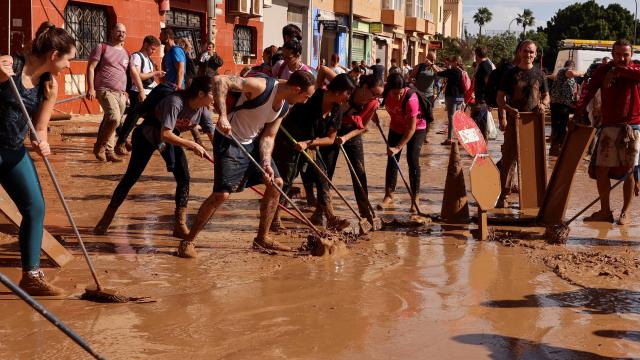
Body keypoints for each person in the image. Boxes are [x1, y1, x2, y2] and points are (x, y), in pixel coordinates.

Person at [177, 70, 315, 258]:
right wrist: (223, 116)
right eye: (305, 96)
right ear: (296, 89)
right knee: (221, 194)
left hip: (252, 143)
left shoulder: (284, 106)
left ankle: (262, 238)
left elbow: (268, 136)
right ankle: (188, 241)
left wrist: (266, 162)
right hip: (228, 139)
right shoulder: (262, 87)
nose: (305, 101)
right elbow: (220, 80)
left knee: (276, 183)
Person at [0, 22, 76, 295]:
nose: (69, 65)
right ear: (54, 55)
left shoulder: (49, 86)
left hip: (12, 152)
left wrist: (42, 144)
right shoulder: (9, 65)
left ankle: (31, 276)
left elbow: (39, 128)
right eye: (69, 59)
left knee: (35, 208)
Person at [94, 76, 215, 238]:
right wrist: (192, 145)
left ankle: (179, 224)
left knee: (184, 176)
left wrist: (225, 160)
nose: (218, 98)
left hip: (168, 139)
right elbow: (165, 135)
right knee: (131, 176)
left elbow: (215, 140)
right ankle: (107, 217)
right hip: (148, 135)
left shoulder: (204, 111)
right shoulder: (175, 102)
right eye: (214, 93)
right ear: (201, 94)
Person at [272, 74, 356, 229]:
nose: (349, 97)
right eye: (348, 93)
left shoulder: (337, 110)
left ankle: (330, 217)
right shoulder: (312, 97)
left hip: (309, 144)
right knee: (286, 179)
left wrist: (309, 143)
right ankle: (275, 218)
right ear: (338, 91)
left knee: (322, 176)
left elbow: (330, 139)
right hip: (289, 141)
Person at [575, 39, 640, 225]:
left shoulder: (635, 70)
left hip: (632, 127)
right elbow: (588, 91)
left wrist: (618, 70)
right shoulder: (602, 71)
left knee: (629, 171)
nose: (621, 58)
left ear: (631, 55)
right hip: (608, 125)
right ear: (612, 54)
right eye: (618, 54)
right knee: (601, 170)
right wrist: (578, 111)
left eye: (625, 54)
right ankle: (605, 211)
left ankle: (625, 212)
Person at [496, 40, 549, 208]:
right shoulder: (510, 74)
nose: (528, 55)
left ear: (535, 55)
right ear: (519, 52)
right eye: (526, 51)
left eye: (532, 52)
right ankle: (503, 196)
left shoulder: (540, 74)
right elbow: (499, 99)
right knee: (508, 161)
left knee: (531, 161)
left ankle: (530, 199)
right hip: (514, 121)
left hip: (533, 124)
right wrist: (508, 110)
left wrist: (543, 104)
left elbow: (546, 96)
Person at [324, 74, 384, 223]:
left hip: (352, 133)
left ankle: (365, 212)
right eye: (374, 94)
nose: (376, 98)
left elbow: (362, 127)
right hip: (332, 130)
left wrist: (345, 138)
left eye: (379, 95)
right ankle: (322, 210)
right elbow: (324, 73)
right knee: (326, 172)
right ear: (364, 88)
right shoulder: (347, 92)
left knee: (359, 172)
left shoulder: (373, 103)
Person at [378, 73, 428, 212]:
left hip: (416, 128)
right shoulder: (384, 93)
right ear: (389, 90)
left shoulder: (411, 99)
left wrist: (399, 147)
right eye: (395, 94)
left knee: (412, 160)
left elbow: (411, 128)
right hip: (396, 127)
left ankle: (415, 198)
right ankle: (389, 195)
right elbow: (370, 100)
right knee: (392, 160)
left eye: (400, 93)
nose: (398, 97)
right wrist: (372, 115)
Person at [86, 23, 129, 163]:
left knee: (115, 122)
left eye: (124, 32)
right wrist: (91, 87)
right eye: (119, 31)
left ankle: (109, 151)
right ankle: (100, 146)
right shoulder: (102, 47)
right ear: (112, 32)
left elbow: (128, 73)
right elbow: (91, 68)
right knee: (114, 117)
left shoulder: (126, 53)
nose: (121, 34)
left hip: (121, 93)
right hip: (105, 90)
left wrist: (128, 91)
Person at [115, 35, 164, 155]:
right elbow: (138, 75)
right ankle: (121, 143)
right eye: (152, 49)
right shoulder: (137, 57)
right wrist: (155, 73)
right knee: (133, 117)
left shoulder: (148, 59)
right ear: (145, 45)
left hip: (148, 92)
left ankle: (150, 141)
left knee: (154, 117)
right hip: (138, 91)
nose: (153, 52)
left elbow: (149, 79)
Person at [548, 60, 583, 156]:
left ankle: (556, 148)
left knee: (560, 127)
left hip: (563, 104)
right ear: (571, 67)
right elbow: (571, 73)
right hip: (559, 104)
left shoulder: (563, 75)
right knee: (559, 127)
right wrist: (583, 72)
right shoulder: (565, 71)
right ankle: (555, 149)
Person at [437, 56, 466, 145]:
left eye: (451, 62)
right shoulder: (461, 71)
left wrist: (432, 65)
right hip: (460, 97)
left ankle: (449, 139)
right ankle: (461, 139)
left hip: (452, 97)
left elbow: (439, 73)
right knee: (458, 118)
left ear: (456, 62)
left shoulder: (453, 71)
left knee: (451, 118)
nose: (450, 63)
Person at [470, 46, 495, 141]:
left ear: (476, 55)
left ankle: (481, 147)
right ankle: (480, 147)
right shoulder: (482, 65)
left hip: (483, 101)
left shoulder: (485, 66)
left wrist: (490, 101)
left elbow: (490, 84)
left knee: (479, 124)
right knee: (478, 124)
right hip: (480, 100)